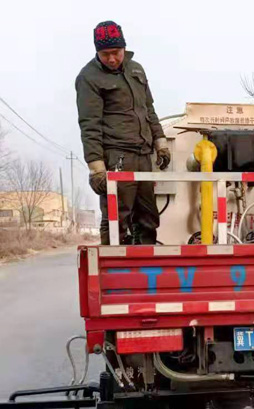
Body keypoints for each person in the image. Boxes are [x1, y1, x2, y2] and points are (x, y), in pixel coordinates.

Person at [75, 20, 171, 245]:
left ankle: (145, 262)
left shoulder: (136, 70)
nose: (111, 59)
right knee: (117, 216)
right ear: (97, 52)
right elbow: (89, 125)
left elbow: (149, 110)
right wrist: (96, 169)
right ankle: (112, 264)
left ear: (124, 48)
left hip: (143, 155)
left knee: (148, 217)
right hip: (117, 155)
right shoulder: (88, 77)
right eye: (105, 54)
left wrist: (161, 144)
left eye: (116, 52)